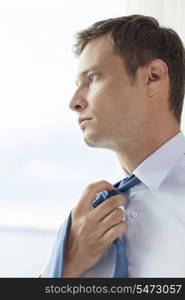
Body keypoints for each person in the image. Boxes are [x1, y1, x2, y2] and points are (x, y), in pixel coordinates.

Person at [40, 14, 185, 277]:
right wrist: (64, 268)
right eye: (77, 85)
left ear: (153, 77)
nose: (74, 102)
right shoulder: (84, 221)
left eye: (93, 78)